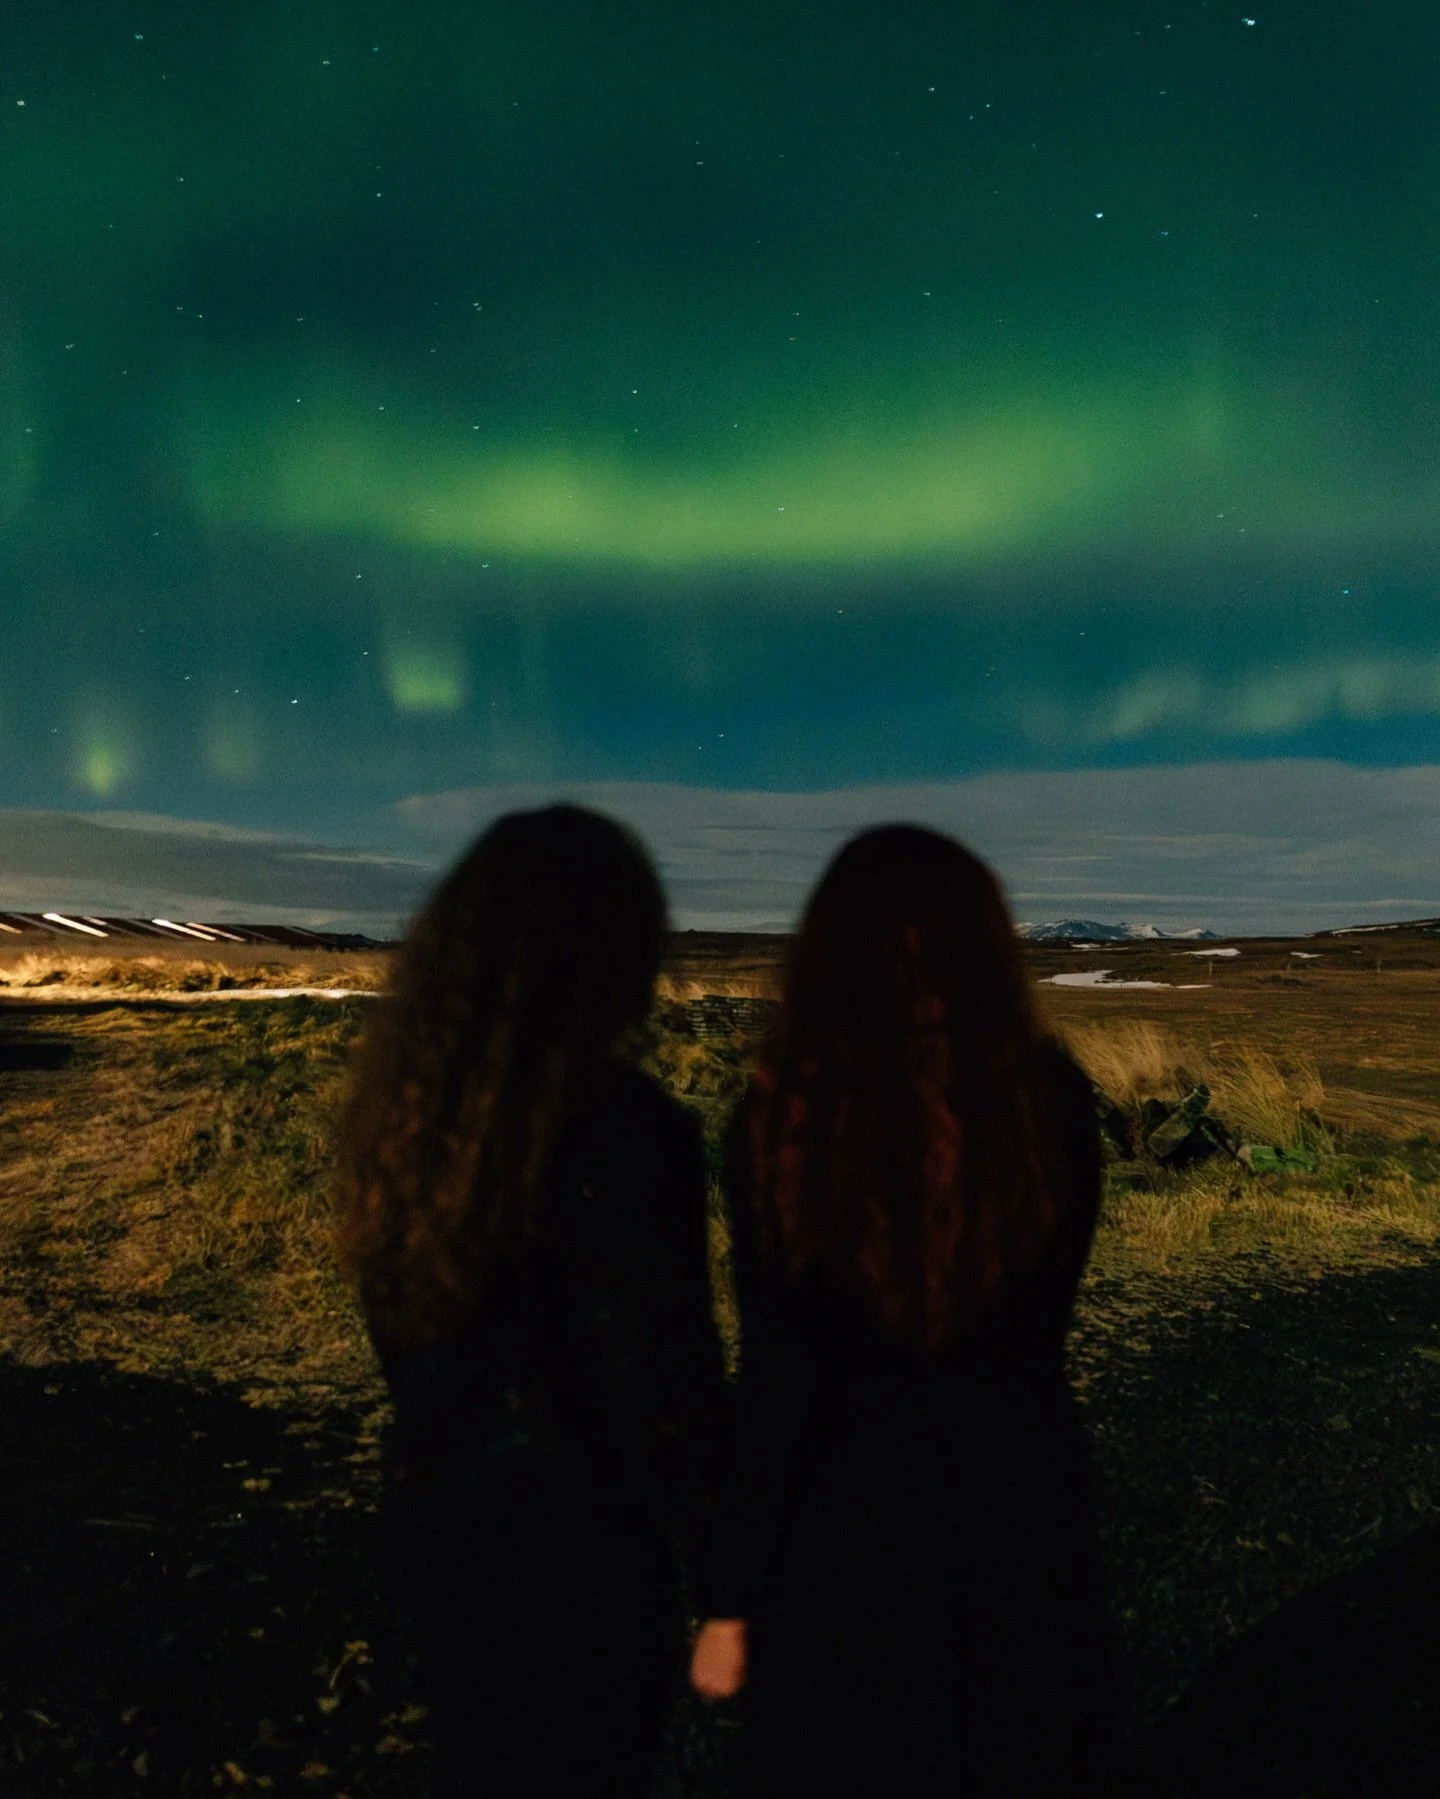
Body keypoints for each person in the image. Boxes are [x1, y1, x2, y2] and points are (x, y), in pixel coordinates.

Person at [689, 825, 1117, 1797]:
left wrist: (729, 1593)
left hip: (840, 1547)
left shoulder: (780, 1116)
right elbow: (1044, 1321)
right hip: (1022, 1517)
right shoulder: (1051, 1098)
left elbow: (776, 1376)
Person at [334, 805, 727, 1799]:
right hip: (586, 1556)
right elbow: (665, 1380)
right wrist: (726, 1590)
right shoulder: (631, 1130)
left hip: (446, 1533)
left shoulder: (400, 1119)